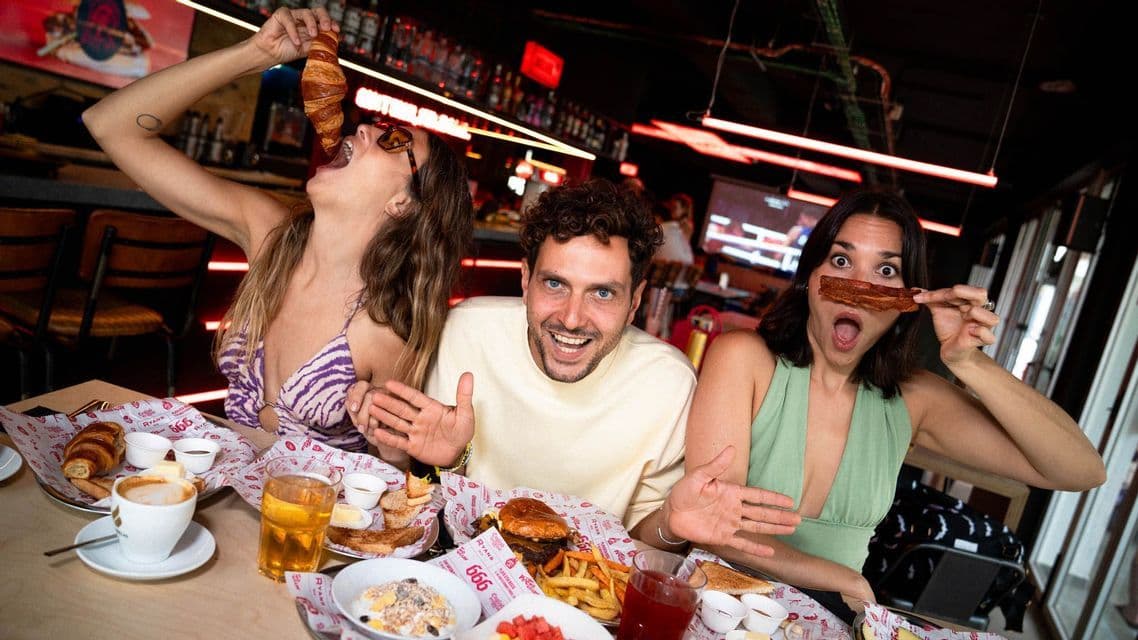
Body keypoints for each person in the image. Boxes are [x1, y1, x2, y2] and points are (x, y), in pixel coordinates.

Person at [675, 186, 1106, 600]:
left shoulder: (915, 401)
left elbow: (1081, 470)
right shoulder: (743, 358)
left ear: (906, 299)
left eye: (885, 271)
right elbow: (713, 521)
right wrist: (844, 581)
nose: (860, 287)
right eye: (841, 260)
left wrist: (971, 364)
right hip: (715, 607)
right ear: (810, 277)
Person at [82, 7, 473, 453]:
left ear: (403, 202)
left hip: (303, 518)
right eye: (373, 126)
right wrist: (256, 53)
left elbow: (394, 471)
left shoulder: (382, 329)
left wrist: (387, 445)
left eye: (394, 141)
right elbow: (110, 126)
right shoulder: (272, 238)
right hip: (214, 492)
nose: (363, 127)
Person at [349, 178, 799, 550]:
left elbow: (645, 539)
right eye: (555, 283)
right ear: (525, 279)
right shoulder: (464, 331)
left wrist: (670, 524)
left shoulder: (669, 384)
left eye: (602, 293)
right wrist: (435, 461)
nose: (571, 318)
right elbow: (420, 494)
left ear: (635, 302)